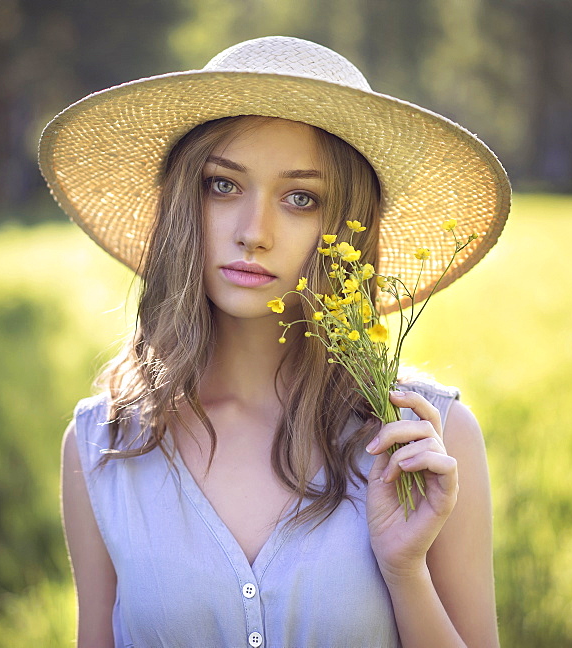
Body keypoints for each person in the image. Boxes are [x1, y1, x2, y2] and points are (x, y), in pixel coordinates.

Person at [41, 36, 510, 648]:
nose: (254, 233)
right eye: (223, 186)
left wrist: (404, 571)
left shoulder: (424, 443)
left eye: (300, 199)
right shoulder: (104, 446)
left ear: (344, 224)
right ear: (186, 200)